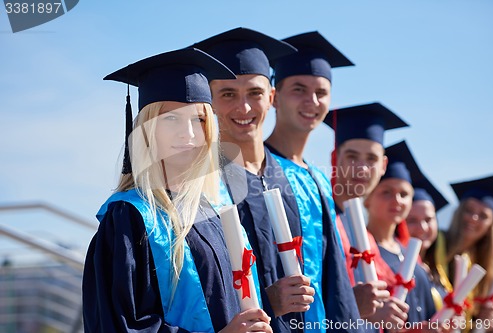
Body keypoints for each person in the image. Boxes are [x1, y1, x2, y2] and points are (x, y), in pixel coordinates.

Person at [82, 47, 272, 333]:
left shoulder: (215, 210)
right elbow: (121, 325)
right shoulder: (130, 216)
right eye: (170, 119)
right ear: (146, 129)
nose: (189, 134)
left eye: (198, 119)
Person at [193, 27, 317, 333]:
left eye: (255, 93)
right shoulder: (201, 186)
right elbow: (199, 289)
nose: (244, 107)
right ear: (208, 101)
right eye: (228, 94)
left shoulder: (296, 182)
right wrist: (267, 300)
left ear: (272, 97)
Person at [264, 30, 368, 330]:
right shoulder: (257, 170)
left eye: (321, 92)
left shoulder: (319, 179)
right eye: (299, 89)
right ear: (274, 97)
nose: (312, 101)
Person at [323, 103, 409, 321]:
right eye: (352, 157)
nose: (361, 168)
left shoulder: (365, 234)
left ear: (383, 165)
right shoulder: (320, 220)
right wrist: (354, 310)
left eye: (371, 159)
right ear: (335, 159)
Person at [364, 142, 438, 330]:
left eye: (404, 194)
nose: (397, 200)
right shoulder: (358, 253)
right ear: (367, 198)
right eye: (386, 192)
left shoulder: (414, 259)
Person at [438, 175, 493, 331]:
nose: (473, 218)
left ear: (490, 227)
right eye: (469, 210)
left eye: (483, 216)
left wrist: (486, 325)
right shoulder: (434, 246)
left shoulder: (488, 274)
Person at [396, 140, 450, 308]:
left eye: (428, 220)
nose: (423, 228)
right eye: (412, 220)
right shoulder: (396, 265)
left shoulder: (440, 269)